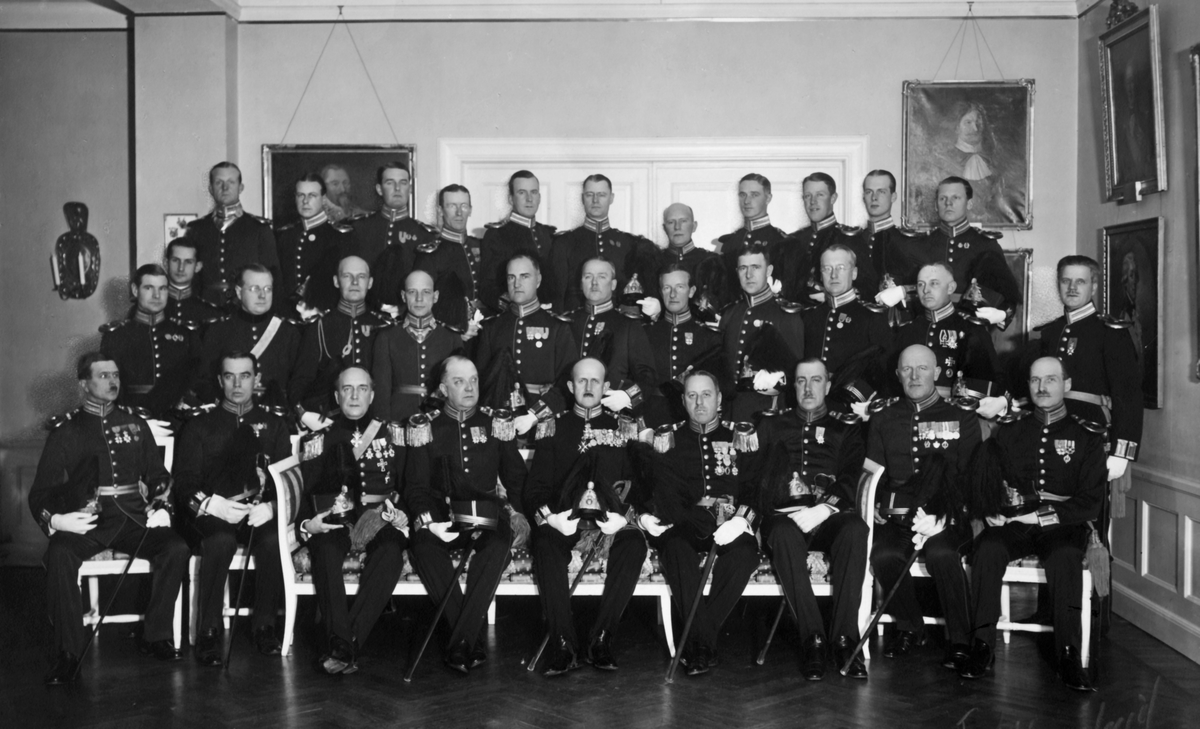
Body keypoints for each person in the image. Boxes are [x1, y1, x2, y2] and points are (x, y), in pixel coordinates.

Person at [29, 353, 189, 685]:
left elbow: (159, 477)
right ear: (83, 384)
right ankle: (68, 653)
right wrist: (56, 520)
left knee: (175, 547)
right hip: (89, 523)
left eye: (115, 375)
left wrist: (161, 504)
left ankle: (155, 635)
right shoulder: (66, 432)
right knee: (59, 553)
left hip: (133, 519)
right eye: (103, 376)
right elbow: (40, 494)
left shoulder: (136, 425)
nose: (112, 381)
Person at [962, 356, 1104, 691]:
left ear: (1067, 384)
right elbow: (991, 480)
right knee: (988, 548)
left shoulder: (1086, 436)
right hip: (1016, 522)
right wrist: (992, 510)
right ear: (1027, 385)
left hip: (1064, 524)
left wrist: (1037, 516)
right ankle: (981, 645)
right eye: (1035, 380)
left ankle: (1068, 654)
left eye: (1050, 379)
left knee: (1065, 557)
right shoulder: (1011, 430)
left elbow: (1090, 502)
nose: (1042, 387)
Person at [404, 356, 529, 673]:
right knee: (423, 548)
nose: (469, 387)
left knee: (498, 547)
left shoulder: (495, 423)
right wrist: (429, 523)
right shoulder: (425, 427)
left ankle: (459, 642)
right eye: (459, 381)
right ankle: (467, 640)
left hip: (487, 514)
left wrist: (518, 514)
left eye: (473, 379)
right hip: (441, 517)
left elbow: (515, 479)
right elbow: (415, 488)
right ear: (444, 388)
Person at [525, 358, 646, 674]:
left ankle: (602, 639)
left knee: (634, 544)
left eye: (595, 381)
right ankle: (563, 644)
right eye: (582, 380)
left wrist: (624, 516)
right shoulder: (552, 427)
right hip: (565, 521)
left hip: (609, 521)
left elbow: (638, 484)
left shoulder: (623, 428)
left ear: (606, 387)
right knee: (545, 542)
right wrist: (550, 518)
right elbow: (535, 489)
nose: (589, 386)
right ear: (570, 386)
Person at [635, 371, 761, 676]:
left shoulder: (740, 436)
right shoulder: (667, 438)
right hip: (684, 520)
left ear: (719, 399)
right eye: (692, 395)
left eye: (706, 394)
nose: (699, 402)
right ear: (683, 401)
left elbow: (755, 488)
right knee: (676, 548)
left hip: (728, 520)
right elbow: (651, 488)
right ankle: (704, 642)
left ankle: (698, 642)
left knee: (745, 553)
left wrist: (742, 519)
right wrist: (647, 516)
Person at [866, 345, 980, 669]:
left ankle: (960, 639)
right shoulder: (883, 418)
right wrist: (873, 505)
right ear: (898, 374)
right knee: (883, 556)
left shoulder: (962, 417)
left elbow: (973, 478)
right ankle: (911, 627)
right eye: (907, 369)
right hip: (899, 517)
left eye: (923, 369)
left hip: (947, 516)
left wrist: (947, 515)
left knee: (942, 554)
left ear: (937, 372)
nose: (914, 376)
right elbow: (872, 474)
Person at [174, 352, 291, 665]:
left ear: (257, 379)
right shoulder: (199, 425)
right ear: (220, 380)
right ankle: (209, 631)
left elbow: (288, 478)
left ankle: (265, 626)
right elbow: (184, 482)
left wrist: (272, 507)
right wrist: (211, 504)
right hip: (213, 514)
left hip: (257, 512)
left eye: (245, 376)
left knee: (271, 541)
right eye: (230, 376)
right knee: (220, 541)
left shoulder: (275, 425)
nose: (238, 384)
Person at [757, 359, 869, 680]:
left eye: (816, 380)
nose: (808, 388)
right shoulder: (772, 425)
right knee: (782, 533)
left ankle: (845, 639)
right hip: (784, 518)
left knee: (855, 529)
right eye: (801, 381)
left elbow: (850, 475)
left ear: (828, 386)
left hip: (826, 516)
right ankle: (813, 639)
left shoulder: (845, 427)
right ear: (793, 386)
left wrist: (826, 507)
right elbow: (756, 476)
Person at [297, 367, 410, 674]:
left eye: (362, 388)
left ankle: (344, 644)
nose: (355, 395)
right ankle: (344, 643)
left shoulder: (392, 433)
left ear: (372, 395)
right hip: (338, 518)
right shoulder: (320, 439)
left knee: (390, 552)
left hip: (380, 517)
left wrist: (402, 514)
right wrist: (308, 525)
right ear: (337, 396)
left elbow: (407, 484)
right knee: (324, 549)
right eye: (348, 389)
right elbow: (308, 493)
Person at [1037, 255, 1142, 484]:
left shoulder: (1110, 332)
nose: (1072, 288)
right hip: (1048, 432)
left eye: (1080, 282)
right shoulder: (1050, 332)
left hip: (1092, 437)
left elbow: (1128, 395)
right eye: (1066, 281)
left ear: (1093, 287)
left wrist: (1121, 453)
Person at [473, 253, 577, 438]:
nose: (517, 283)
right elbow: (480, 381)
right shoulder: (492, 327)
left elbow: (568, 381)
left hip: (542, 422)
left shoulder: (557, 328)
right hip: (499, 420)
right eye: (511, 277)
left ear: (538, 280)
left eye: (524, 276)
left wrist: (536, 414)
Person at [891, 262, 1007, 419]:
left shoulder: (970, 328)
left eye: (934, 283)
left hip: (959, 416)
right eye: (921, 284)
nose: (926, 290)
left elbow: (996, 375)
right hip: (912, 415)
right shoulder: (908, 330)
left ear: (951, 288)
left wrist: (1003, 400)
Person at [291, 255, 393, 420]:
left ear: (370, 282)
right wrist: (306, 416)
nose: (354, 282)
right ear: (336, 281)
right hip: (330, 422)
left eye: (361, 276)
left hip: (375, 423)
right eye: (347, 276)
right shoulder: (318, 328)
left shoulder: (384, 327)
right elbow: (300, 384)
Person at [100, 264, 201, 420]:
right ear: (135, 290)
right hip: (132, 418)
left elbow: (196, 383)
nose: (157, 295)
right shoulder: (116, 336)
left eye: (162, 289)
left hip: (176, 419)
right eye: (149, 288)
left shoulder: (185, 333)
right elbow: (107, 387)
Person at [917, 177, 1020, 328]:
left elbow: (1008, 294)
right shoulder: (922, 244)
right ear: (935, 205)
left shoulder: (985, 244)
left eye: (956, 198)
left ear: (969, 204)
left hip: (970, 328)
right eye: (943, 198)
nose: (948, 203)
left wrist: (1002, 314)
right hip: (927, 325)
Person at [563, 258, 658, 421]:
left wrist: (628, 395)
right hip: (569, 415)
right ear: (581, 283)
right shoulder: (568, 322)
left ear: (613, 285)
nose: (594, 283)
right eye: (588, 276)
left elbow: (648, 376)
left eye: (602, 277)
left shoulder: (628, 325)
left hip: (612, 416)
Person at [549, 174, 659, 312]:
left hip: (620, 321)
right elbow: (558, 296)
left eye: (601, 195)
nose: (595, 200)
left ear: (611, 198)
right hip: (577, 321)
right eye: (590, 194)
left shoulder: (630, 244)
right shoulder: (564, 243)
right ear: (582, 198)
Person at [719, 244, 804, 421]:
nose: (748, 275)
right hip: (730, 410)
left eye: (756, 267)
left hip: (767, 412)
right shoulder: (730, 313)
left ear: (769, 270)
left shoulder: (784, 315)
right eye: (743, 268)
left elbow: (796, 373)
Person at [199, 265, 302, 412]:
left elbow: (298, 383)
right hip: (231, 413)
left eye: (268, 289)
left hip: (276, 414)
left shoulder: (289, 332)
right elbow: (206, 380)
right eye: (254, 289)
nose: (262, 295)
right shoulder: (218, 331)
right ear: (239, 292)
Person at [371, 269, 465, 422]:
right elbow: (381, 390)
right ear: (403, 296)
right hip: (399, 419)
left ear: (435, 296)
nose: (419, 298)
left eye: (426, 292)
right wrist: (383, 425)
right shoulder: (386, 337)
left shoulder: (451, 337)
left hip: (441, 421)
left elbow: (459, 387)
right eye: (412, 292)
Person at [185, 161, 280, 308]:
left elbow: (274, 277)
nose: (225, 188)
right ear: (210, 189)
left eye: (231, 182)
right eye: (219, 182)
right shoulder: (197, 229)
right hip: (205, 307)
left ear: (241, 187)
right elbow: (190, 277)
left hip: (246, 308)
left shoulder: (259, 228)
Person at [643, 264, 726, 427]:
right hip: (653, 417)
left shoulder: (708, 336)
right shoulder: (646, 334)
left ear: (692, 291)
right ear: (660, 292)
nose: (673, 294)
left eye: (680, 287)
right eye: (667, 288)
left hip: (695, 419)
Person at [350, 162, 437, 311]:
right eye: (390, 183)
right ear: (379, 189)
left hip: (408, 314)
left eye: (403, 183)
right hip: (365, 312)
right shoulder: (360, 229)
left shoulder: (425, 235)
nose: (397, 188)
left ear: (410, 188)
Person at [800, 245, 892, 376]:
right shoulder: (808, 317)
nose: (834, 275)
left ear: (854, 273)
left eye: (841, 268)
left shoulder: (871, 318)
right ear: (820, 275)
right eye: (827, 268)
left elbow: (882, 372)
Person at [781, 173, 870, 302]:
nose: (813, 201)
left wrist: (833, 298)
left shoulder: (850, 239)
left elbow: (869, 290)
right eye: (807, 196)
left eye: (820, 195)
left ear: (833, 198)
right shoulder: (793, 240)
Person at [479, 170, 557, 313]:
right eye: (522, 192)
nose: (529, 199)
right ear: (511, 199)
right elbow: (487, 288)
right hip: (513, 316)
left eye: (534, 192)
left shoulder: (548, 234)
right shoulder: (497, 235)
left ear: (539, 197)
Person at [274, 174, 353, 314]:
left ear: (323, 198)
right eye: (301, 195)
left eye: (312, 195)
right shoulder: (284, 235)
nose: (305, 201)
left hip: (325, 314)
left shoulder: (339, 236)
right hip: (287, 315)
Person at [412, 184, 483, 330]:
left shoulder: (480, 246)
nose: (459, 212)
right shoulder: (431, 254)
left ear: (470, 210)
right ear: (440, 210)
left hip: (484, 329)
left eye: (464, 206)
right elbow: (423, 303)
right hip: (448, 332)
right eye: (452, 206)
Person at [858, 170, 924, 326]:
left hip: (896, 325)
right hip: (858, 325)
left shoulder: (909, 242)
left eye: (881, 192)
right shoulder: (853, 240)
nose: (874, 197)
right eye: (869, 192)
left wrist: (903, 291)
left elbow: (931, 285)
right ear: (863, 197)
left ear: (893, 196)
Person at [714, 174, 788, 311]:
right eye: (743, 195)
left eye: (754, 195)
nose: (747, 201)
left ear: (768, 198)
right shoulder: (730, 242)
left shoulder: (781, 241)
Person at [660, 203, 725, 316]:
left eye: (683, 221)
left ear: (694, 226)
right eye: (671, 222)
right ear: (664, 228)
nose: (677, 227)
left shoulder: (711, 262)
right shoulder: (654, 261)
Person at [163, 238, 224, 327]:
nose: (181, 268)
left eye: (188, 262)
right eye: (175, 260)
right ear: (166, 263)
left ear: (198, 267)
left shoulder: (212, 312)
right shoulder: (149, 306)